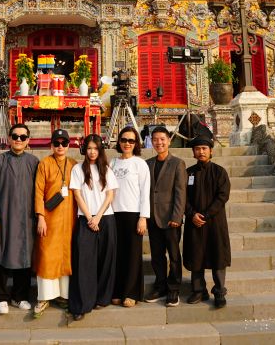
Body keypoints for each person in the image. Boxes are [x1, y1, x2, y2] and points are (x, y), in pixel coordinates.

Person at [0, 123, 38, 315]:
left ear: (28, 140)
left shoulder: (33, 162)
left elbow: (39, 190)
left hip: (26, 218)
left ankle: (20, 296)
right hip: (4, 216)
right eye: (15, 136)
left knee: (24, 255)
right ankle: (0, 298)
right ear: (9, 138)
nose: (18, 140)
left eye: (23, 137)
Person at [68, 134, 118, 321]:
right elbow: (77, 195)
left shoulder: (107, 169)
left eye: (95, 148)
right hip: (85, 220)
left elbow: (110, 195)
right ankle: (82, 304)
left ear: (100, 150)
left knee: (106, 260)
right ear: (84, 149)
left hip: (106, 218)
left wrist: (98, 217)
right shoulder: (78, 169)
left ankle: (102, 298)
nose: (92, 152)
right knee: (83, 263)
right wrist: (90, 218)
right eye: (89, 148)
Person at [182, 131, 231, 309]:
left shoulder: (219, 172)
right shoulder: (188, 173)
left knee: (218, 256)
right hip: (194, 222)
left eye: (204, 148)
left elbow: (222, 196)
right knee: (196, 256)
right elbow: (182, 197)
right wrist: (192, 214)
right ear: (193, 152)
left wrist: (206, 214)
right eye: (197, 149)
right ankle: (198, 290)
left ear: (211, 151)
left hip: (215, 223)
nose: (201, 152)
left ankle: (219, 291)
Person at [32, 129, 76, 318]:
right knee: (47, 255)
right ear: (51, 145)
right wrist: (40, 217)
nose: (60, 147)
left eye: (63, 143)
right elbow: (38, 192)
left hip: (69, 219)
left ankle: (64, 296)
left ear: (68, 145)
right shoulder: (45, 163)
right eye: (56, 143)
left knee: (66, 256)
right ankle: (44, 297)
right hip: (49, 218)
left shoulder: (74, 164)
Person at [144, 126, 187, 307]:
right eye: (155, 139)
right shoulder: (148, 164)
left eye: (162, 139)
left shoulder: (177, 163)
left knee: (174, 256)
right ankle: (160, 285)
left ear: (169, 140)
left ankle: (173, 289)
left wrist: (177, 217)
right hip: (153, 217)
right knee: (157, 255)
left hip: (170, 218)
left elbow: (180, 192)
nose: (159, 143)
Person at [110, 126, 150, 307]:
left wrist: (143, 217)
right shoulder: (112, 163)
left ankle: (131, 292)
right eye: (124, 140)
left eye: (131, 140)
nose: (127, 143)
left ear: (136, 143)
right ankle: (117, 290)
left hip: (133, 214)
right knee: (117, 254)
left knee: (132, 255)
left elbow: (145, 192)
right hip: (114, 214)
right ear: (119, 141)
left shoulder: (139, 164)